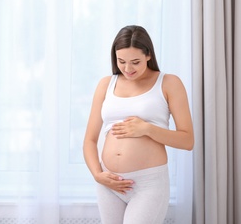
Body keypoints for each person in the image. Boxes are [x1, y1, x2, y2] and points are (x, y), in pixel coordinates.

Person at [83, 25, 194, 224]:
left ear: (148, 55)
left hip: (148, 184)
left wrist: (147, 129)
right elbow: (90, 140)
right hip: (109, 183)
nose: (127, 69)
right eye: (121, 61)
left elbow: (187, 140)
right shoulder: (106, 85)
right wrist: (98, 175)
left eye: (135, 62)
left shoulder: (168, 83)